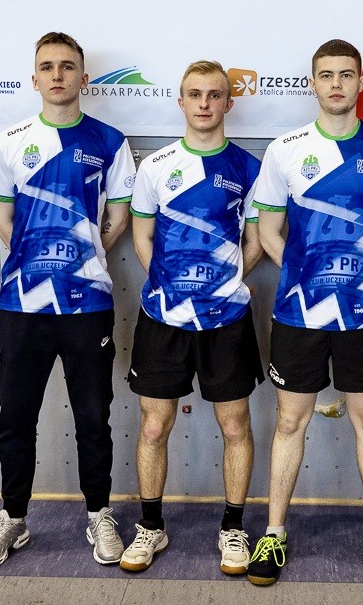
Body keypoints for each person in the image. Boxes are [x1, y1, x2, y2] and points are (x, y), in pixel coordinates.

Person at [246, 38, 363, 592]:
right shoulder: (285, 150)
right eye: (326, 75)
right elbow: (268, 229)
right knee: (289, 423)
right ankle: (273, 533)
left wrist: (361, 275)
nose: (336, 84)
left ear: (360, 82)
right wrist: (305, 274)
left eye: (346, 74)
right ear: (313, 83)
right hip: (299, 313)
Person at [0, 31, 136, 571]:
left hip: (88, 304)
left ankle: (100, 514)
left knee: (93, 417)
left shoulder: (110, 141)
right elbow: (2, 218)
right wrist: (36, 259)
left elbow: (118, 217)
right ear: (34, 78)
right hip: (21, 305)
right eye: (47, 66)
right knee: (16, 417)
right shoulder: (10, 141)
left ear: (84, 78)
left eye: (67, 66)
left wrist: (85, 257)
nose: (58, 75)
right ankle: (13, 518)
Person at [119, 60, 264, 576]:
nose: (204, 103)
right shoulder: (156, 166)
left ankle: (232, 529)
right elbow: (141, 235)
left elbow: (256, 241)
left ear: (229, 102)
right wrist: (169, 284)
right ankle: (150, 527)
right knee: (154, 426)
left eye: (214, 94)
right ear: (180, 102)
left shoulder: (249, 168)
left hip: (227, 318)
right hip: (163, 316)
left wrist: (225, 281)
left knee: (235, 425)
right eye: (195, 94)